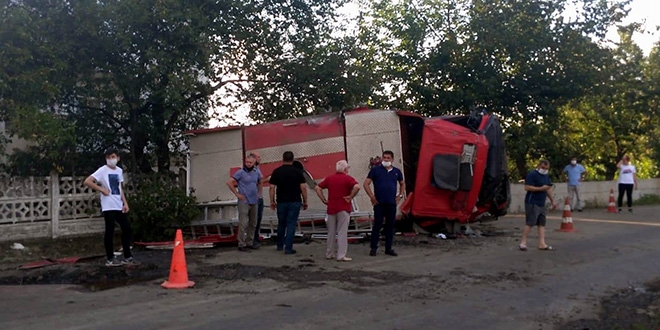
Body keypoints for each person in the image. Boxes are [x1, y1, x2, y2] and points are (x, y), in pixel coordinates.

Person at [83, 148, 137, 267]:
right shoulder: (102, 170)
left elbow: (119, 188)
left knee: (126, 228)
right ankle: (110, 258)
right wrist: (102, 190)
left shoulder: (119, 171)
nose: (110, 159)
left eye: (112, 157)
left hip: (118, 204)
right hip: (108, 205)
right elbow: (88, 181)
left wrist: (125, 203)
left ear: (118, 158)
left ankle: (127, 256)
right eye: (108, 157)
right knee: (110, 230)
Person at [315, 160, 360, 262]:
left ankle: (329, 253)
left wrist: (323, 199)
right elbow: (357, 187)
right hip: (343, 207)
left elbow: (317, 188)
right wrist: (350, 197)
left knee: (331, 232)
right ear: (345, 169)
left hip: (331, 207)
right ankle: (341, 255)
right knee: (342, 232)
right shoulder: (348, 178)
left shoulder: (329, 178)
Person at [363, 150, 405, 257]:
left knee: (390, 226)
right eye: (384, 158)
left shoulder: (397, 171)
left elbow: (402, 183)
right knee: (377, 225)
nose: (386, 160)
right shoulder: (376, 170)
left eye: (388, 158)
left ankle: (388, 248)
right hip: (379, 203)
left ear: (392, 159)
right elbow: (366, 183)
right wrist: (371, 196)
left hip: (391, 203)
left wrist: (400, 196)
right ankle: (373, 248)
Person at [269, 151, 308, 255]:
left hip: (281, 201)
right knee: (291, 224)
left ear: (283, 159)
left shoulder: (277, 171)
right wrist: (305, 201)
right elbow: (303, 188)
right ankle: (288, 248)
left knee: (281, 223)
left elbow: (272, 187)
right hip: (295, 201)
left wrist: (272, 201)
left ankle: (279, 245)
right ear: (293, 159)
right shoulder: (298, 172)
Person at [227, 154, 262, 252]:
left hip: (254, 200)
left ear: (254, 163)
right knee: (243, 222)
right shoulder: (240, 172)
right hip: (244, 200)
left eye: (250, 162)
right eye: (247, 162)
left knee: (253, 222)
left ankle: (250, 242)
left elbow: (260, 181)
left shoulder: (256, 172)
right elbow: (229, 182)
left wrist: (259, 193)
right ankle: (241, 243)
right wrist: (237, 194)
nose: (248, 164)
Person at [520, 160, 557, 251]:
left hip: (541, 203)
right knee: (530, 222)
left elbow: (547, 188)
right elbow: (527, 187)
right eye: (543, 168)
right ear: (539, 166)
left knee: (541, 223)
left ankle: (542, 243)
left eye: (546, 168)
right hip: (532, 202)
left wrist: (552, 200)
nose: (544, 170)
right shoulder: (532, 174)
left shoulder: (546, 176)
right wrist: (541, 188)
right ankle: (523, 242)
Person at [248, 151, 265, 248]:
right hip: (255, 198)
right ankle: (252, 240)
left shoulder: (257, 168)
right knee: (254, 220)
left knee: (258, 219)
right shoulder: (251, 170)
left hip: (259, 197)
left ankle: (256, 238)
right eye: (258, 157)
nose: (260, 159)